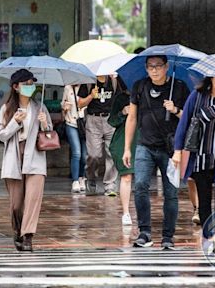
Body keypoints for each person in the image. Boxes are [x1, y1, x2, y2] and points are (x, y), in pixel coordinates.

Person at [123, 55, 189, 249]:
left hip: (171, 149)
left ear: (166, 67)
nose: (154, 70)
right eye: (150, 67)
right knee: (141, 185)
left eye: (158, 66)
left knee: (171, 192)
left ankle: (168, 236)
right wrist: (127, 148)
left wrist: (175, 109)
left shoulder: (179, 87)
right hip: (145, 145)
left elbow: (189, 118)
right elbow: (132, 118)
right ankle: (145, 232)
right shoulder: (139, 86)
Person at [0, 69, 53, 252]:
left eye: (32, 83)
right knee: (16, 203)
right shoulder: (7, 109)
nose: (30, 87)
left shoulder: (40, 107)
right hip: (14, 156)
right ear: (15, 86)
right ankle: (18, 231)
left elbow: (49, 133)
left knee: (33, 199)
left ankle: (28, 236)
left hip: (35, 156)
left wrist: (45, 123)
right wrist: (15, 122)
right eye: (26, 84)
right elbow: (1, 135)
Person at [172, 76, 215, 244]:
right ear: (211, 79)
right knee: (204, 201)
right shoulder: (197, 97)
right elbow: (183, 124)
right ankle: (209, 236)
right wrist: (177, 151)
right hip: (201, 155)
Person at [78, 75, 124, 196]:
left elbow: (122, 98)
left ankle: (110, 184)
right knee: (94, 154)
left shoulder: (114, 81)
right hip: (93, 119)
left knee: (112, 153)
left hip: (110, 119)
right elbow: (80, 104)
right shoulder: (88, 82)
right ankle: (91, 177)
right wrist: (91, 96)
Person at [108, 77, 137, 225]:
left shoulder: (146, 95)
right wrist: (123, 112)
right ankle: (126, 212)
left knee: (141, 180)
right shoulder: (120, 98)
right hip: (122, 142)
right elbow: (112, 121)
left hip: (144, 140)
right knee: (126, 176)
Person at [61, 84, 87, 193]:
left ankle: (82, 177)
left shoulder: (87, 87)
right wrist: (65, 108)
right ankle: (75, 180)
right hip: (71, 123)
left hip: (85, 125)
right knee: (76, 152)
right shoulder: (68, 88)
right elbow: (62, 110)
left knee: (85, 156)